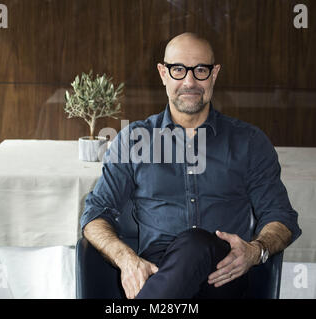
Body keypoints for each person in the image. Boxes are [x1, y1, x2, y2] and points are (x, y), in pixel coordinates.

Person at [80, 32, 302, 299]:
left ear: (214, 74)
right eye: (178, 70)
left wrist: (255, 251)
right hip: (160, 274)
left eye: (200, 70)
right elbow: (94, 214)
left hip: (225, 275)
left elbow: (281, 217)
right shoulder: (134, 140)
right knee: (190, 251)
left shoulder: (249, 141)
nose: (189, 81)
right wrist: (127, 259)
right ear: (163, 73)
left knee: (197, 243)